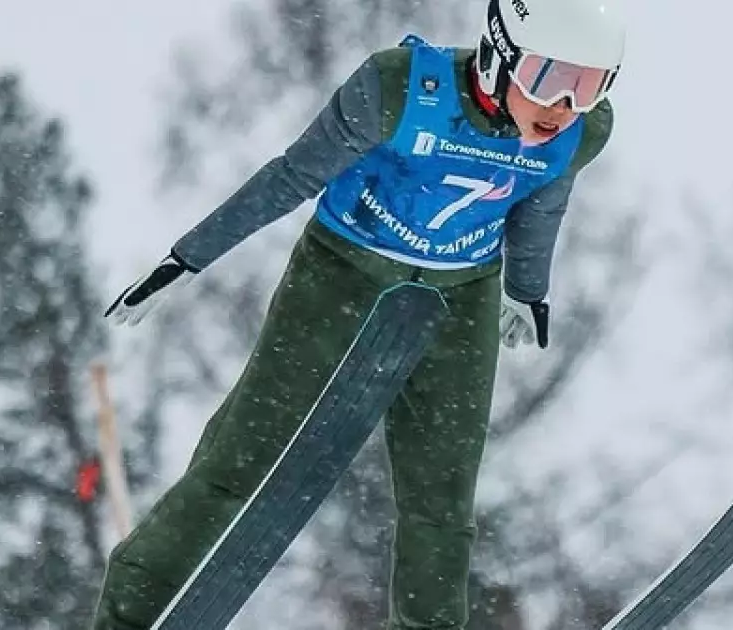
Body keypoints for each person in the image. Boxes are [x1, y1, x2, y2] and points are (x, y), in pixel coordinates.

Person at [90, 0, 625, 627]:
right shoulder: (398, 89)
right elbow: (289, 178)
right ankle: (131, 613)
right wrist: (188, 258)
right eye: (551, 79)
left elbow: (541, 206)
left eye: (590, 86)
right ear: (499, 53)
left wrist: (527, 291)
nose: (564, 108)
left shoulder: (581, 133)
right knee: (241, 460)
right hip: (344, 274)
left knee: (442, 502)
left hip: (458, 297)